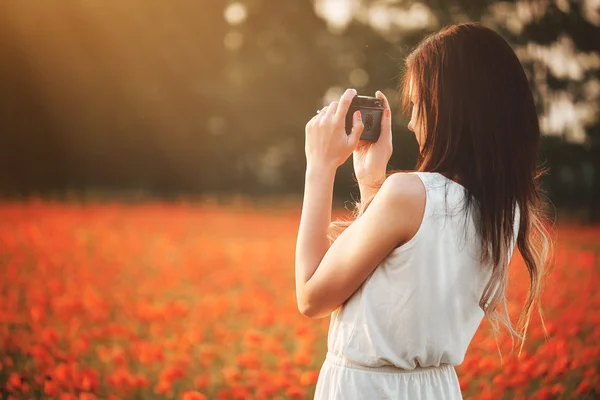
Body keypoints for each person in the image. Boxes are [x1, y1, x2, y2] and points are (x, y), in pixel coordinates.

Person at [295, 22, 554, 399]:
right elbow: (400, 281)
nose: (413, 122)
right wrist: (371, 186)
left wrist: (318, 168)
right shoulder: (505, 210)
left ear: (451, 108)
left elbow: (311, 298)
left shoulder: (409, 194)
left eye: (418, 105)